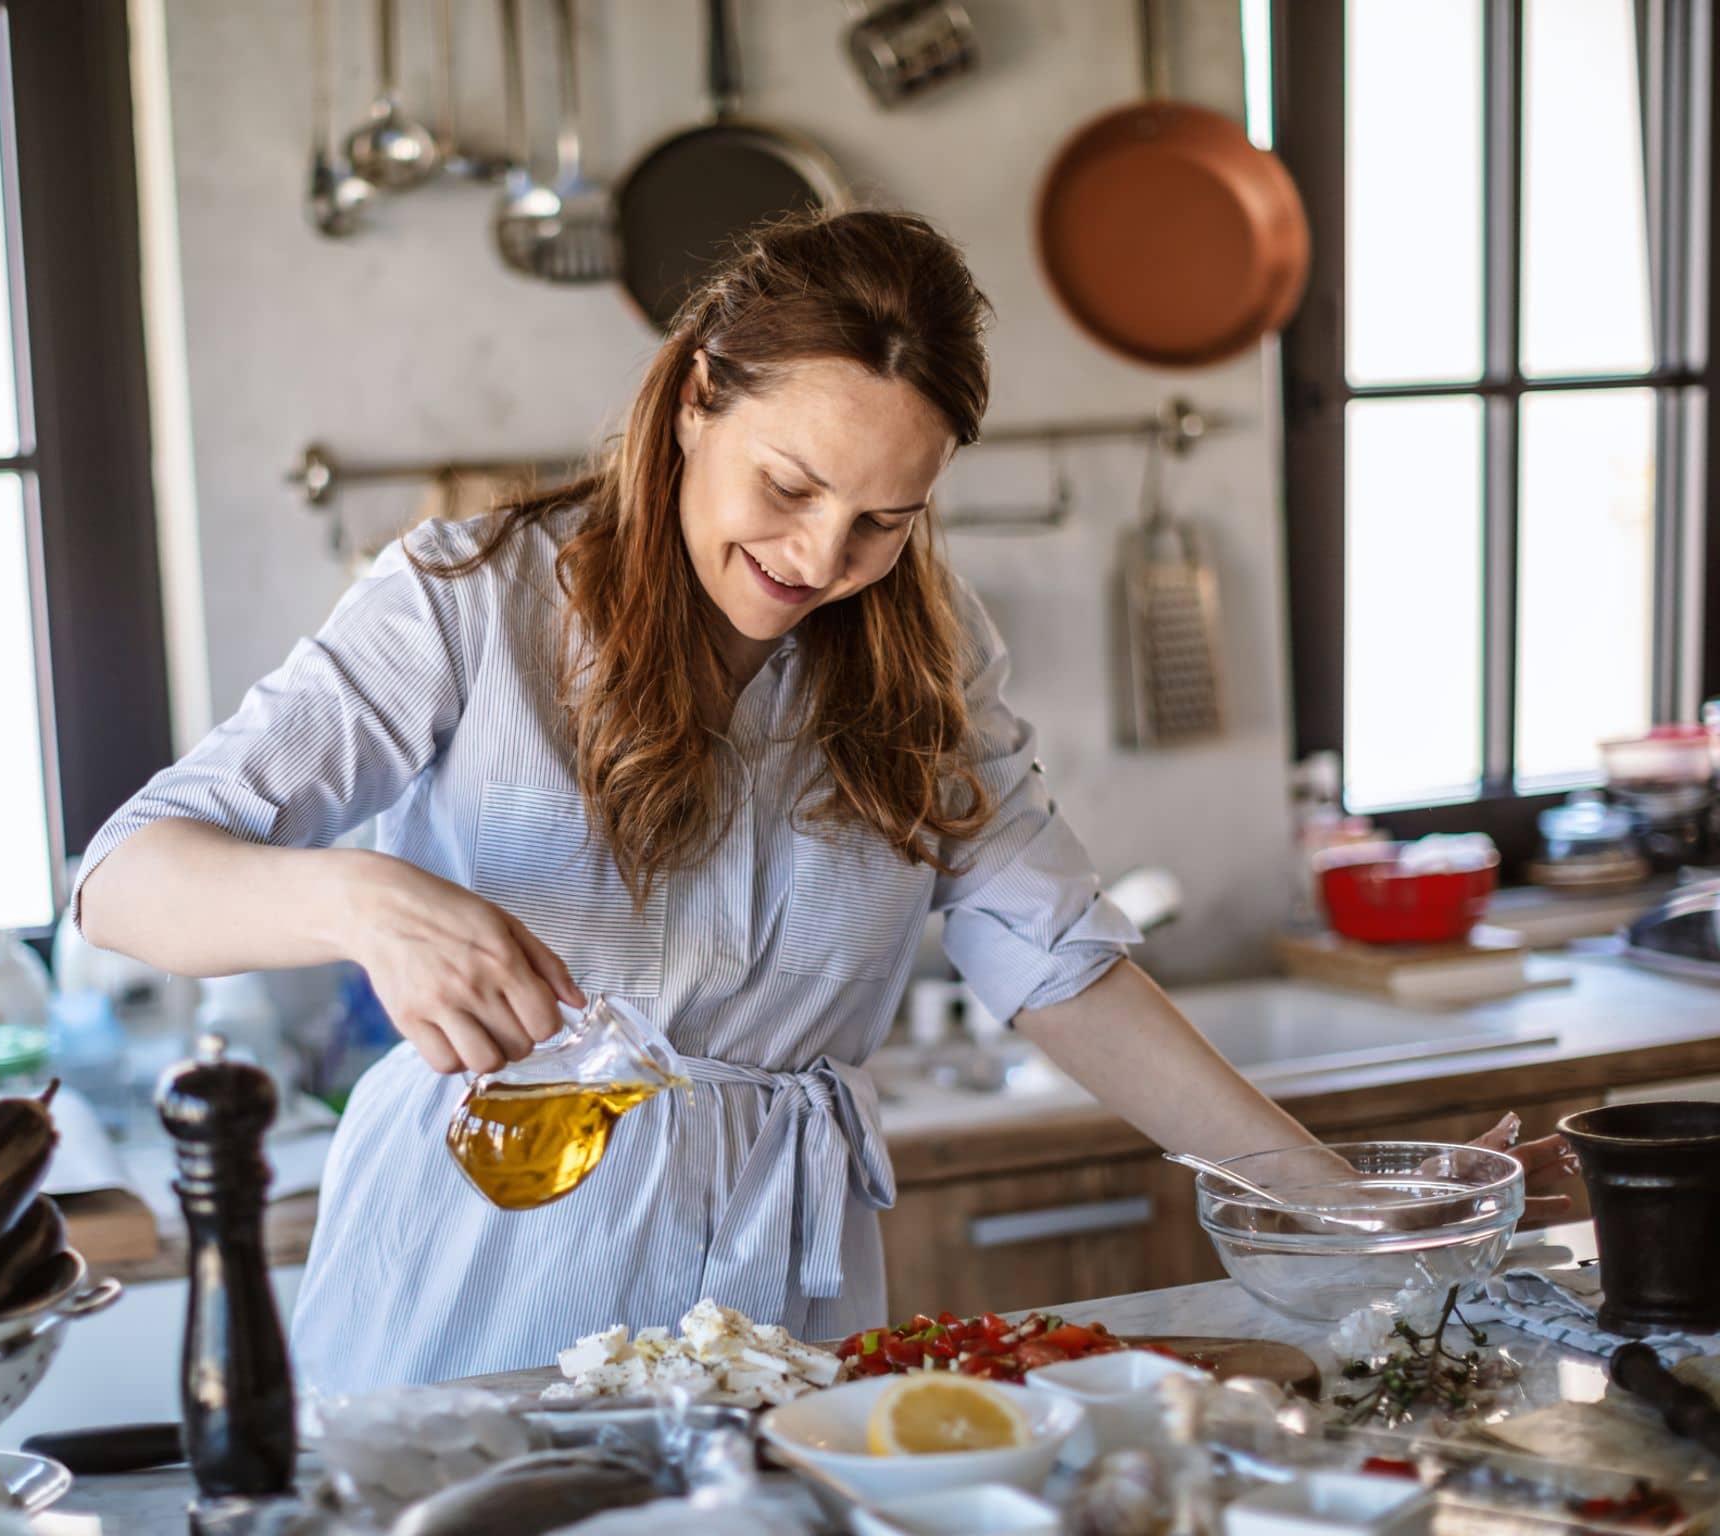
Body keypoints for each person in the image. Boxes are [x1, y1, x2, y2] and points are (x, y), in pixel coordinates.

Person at [76, 210, 1573, 1394]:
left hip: (775, 1302)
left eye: (884, 521)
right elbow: (126, 879)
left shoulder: (931, 649)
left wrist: (1322, 1197)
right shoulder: (467, 604)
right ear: (695, 401)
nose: (819, 556)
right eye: (787, 487)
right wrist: (360, 899)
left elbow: (1053, 964)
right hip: (484, 1270)